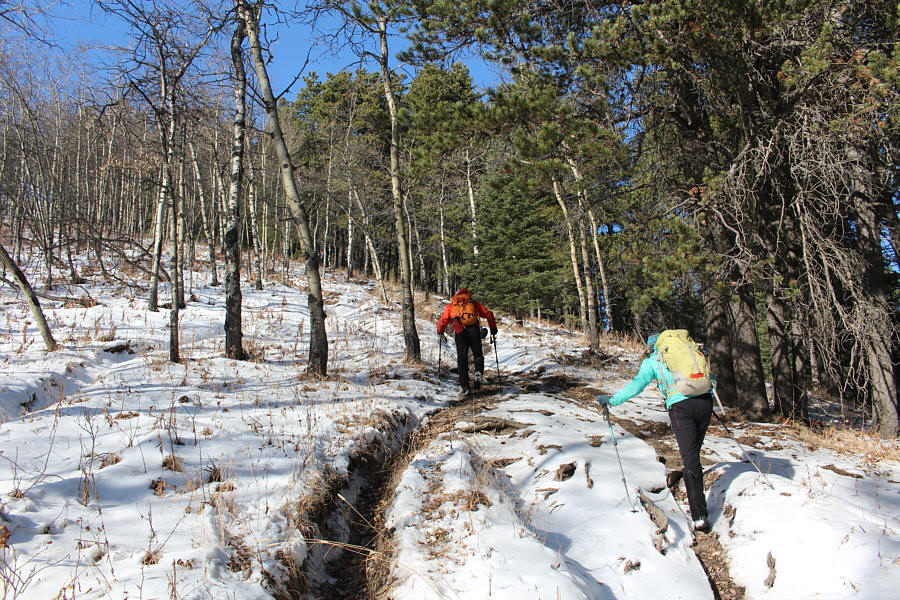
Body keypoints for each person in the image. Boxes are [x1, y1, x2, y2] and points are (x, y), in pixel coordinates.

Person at [598, 331, 714, 532]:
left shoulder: (653, 361)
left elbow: (638, 385)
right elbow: (708, 376)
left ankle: (699, 516)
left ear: (652, 347)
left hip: (681, 407)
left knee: (690, 459)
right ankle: (694, 494)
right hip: (704, 402)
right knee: (693, 455)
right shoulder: (685, 355)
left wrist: (613, 400)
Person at [437, 288, 497, 398]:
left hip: (460, 332)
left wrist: (440, 331)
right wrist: (493, 329)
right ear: (468, 294)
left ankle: (465, 387)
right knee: (478, 353)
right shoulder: (473, 303)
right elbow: (488, 314)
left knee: (462, 358)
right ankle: (478, 372)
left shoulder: (452, 306)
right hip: (474, 330)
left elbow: (444, 319)